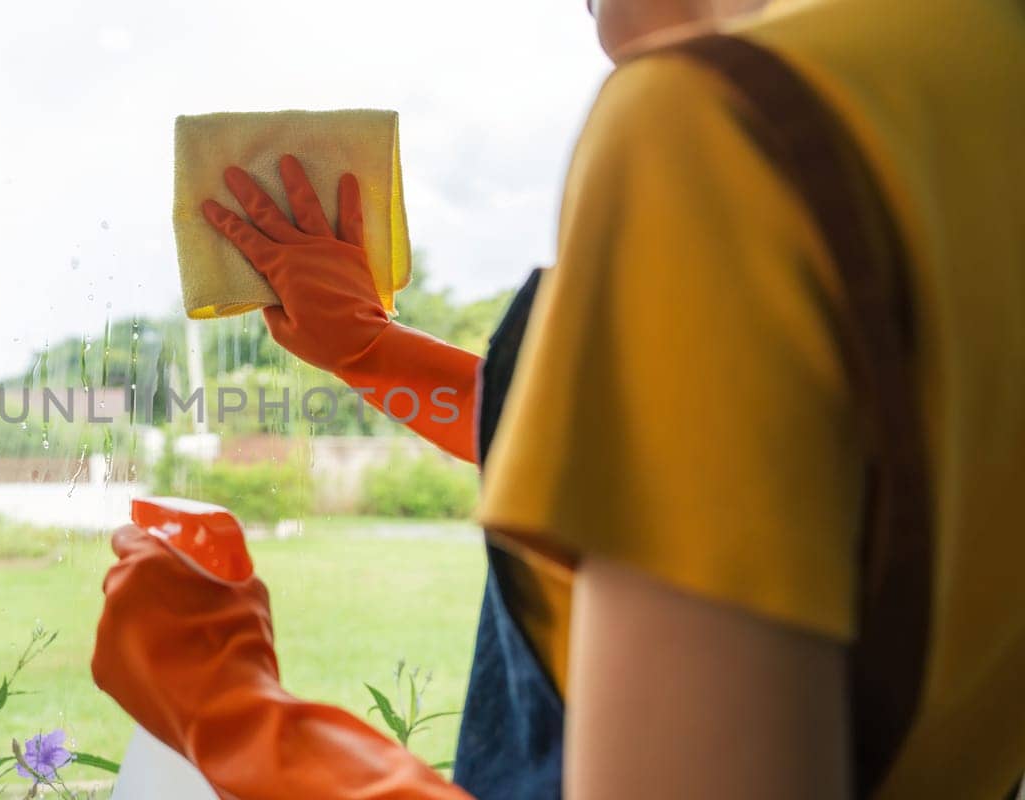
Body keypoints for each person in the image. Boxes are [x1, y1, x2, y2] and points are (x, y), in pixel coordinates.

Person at [92, 0, 1025, 797]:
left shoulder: (723, 126)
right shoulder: (971, 88)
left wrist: (226, 707)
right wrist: (377, 353)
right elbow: (750, 466)